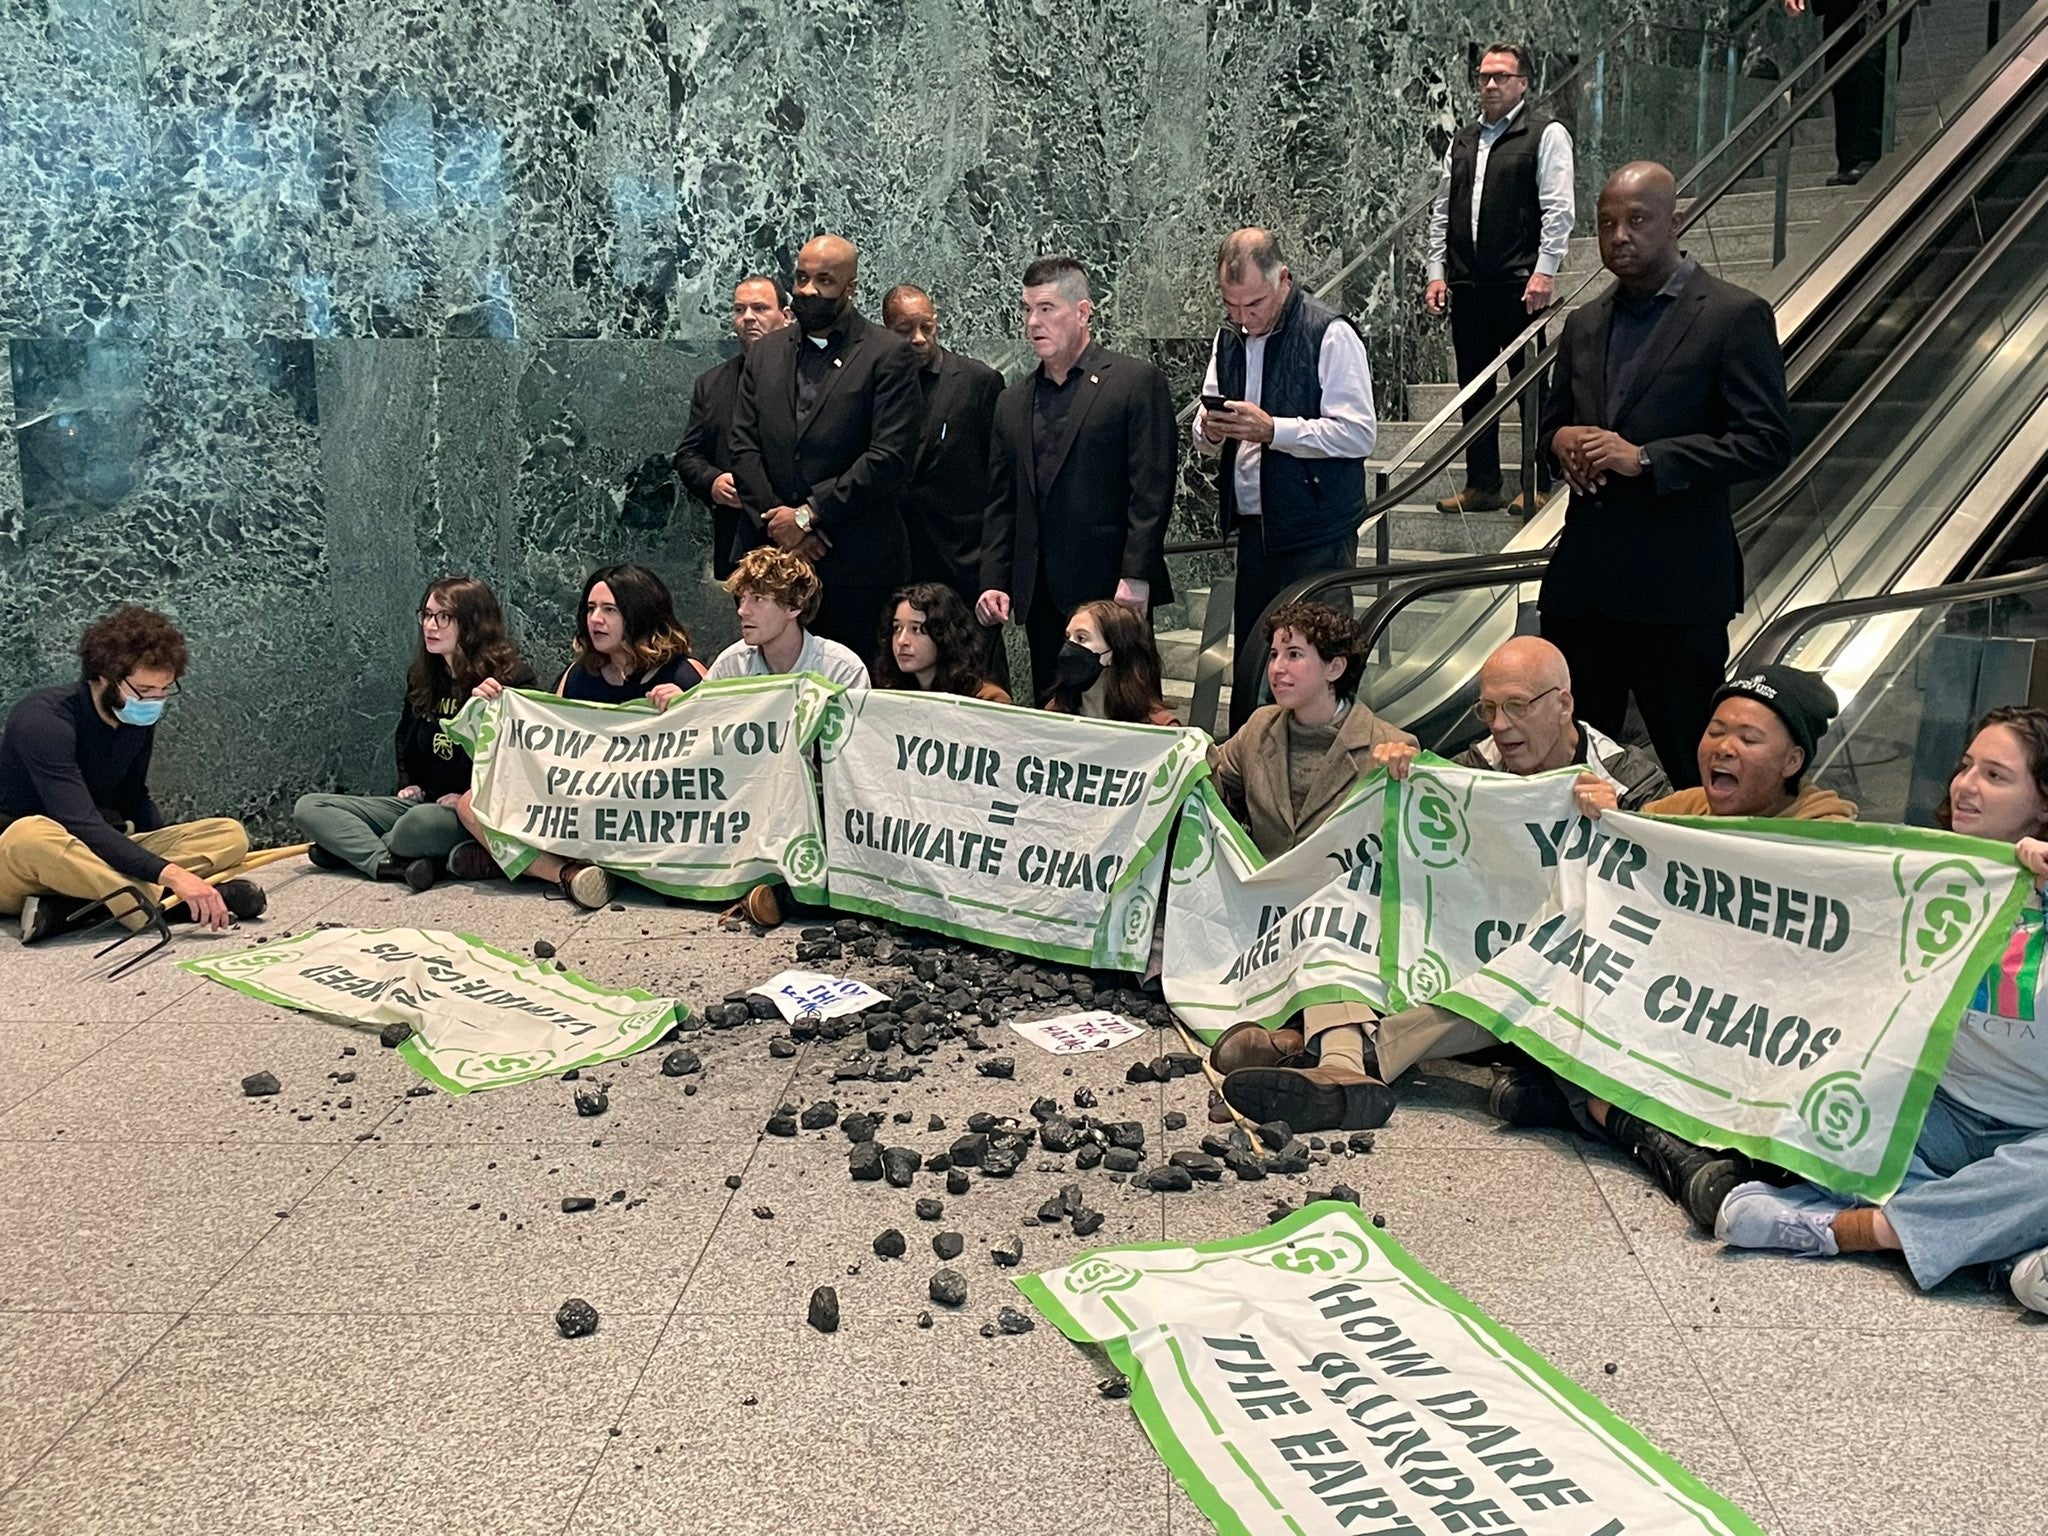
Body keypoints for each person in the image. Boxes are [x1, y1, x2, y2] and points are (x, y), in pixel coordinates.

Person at [1236, 638, 1674, 1114]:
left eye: (1516, 707)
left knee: (1536, 961)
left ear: (1563, 704)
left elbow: (1666, 893)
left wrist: (1628, 826)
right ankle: (1336, 1066)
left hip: (1549, 981)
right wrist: (1397, 778)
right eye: (1487, 709)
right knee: (1353, 899)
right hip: (1463, 953)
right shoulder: (1473, 765)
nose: (1501, 725)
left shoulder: (1630, 778)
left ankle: (1333, 1050)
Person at [1493, 665, 1856, 1227]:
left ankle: (1600, 1115)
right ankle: (1646, 1134)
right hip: (1661, 1019)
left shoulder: (1829, 832)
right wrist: (1600, 817)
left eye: (1749, 738)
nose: (1724, 748)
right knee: (1570, 976)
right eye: (1716, 731)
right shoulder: (1678, 811)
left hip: (1749, 1032)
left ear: (1792, 762)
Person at [1716, 705, 2048, 1315]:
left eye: (1996, 776)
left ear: (2044, 805)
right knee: (1807, 1106)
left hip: (2036, 1132)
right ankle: (2003, 1251)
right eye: (1966, 766)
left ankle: (1844, 1232)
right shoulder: (1929, 869)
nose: (1967, 786)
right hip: (1935, 1112)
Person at [1538, 161, 1794, 787]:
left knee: (1695, 767)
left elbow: (1767, 442)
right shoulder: (1585, 323)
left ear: (1675, 223)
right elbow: (1548, 435)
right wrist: (1562, 439)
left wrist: (1647, 458)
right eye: (1605, 224)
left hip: (1677, 592)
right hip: (1586, 589)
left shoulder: (1734, 316)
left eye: (1637, 220)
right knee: (1574, 772)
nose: (1619, 235)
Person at [1204, 603, 1416, 1133]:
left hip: (1351, 929)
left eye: (1295, 655)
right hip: (1271, 920)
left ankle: (1310, 1054)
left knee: (1331, 944)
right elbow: (1204, 774)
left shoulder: (1390, 747)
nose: (1277, 667)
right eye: (1275, 654)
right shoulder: (1258, 731)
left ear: (1335, 668)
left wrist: (1406, 781)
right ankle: (1298, 1047)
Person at [1194, 229, 1379, 733]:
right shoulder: (1228, 335)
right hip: (1256, 528)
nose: (1242, 316)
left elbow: (1359, 433)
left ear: (1284, 280)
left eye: (1253, 302)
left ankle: (1326, 768)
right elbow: (1209, 409)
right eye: (1230, 304)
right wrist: (1208, 431)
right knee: (1257, 664)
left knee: (1317, 666)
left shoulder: (1329, 332)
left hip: (1316, 528)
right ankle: (1251, 772)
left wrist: (1274, 430)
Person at [1, 605, 264, 943]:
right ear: (103, 677)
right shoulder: (43, 721)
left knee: (228, 834)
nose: (155, 701)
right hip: (22, 860)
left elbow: (134, 798)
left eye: (165, 690)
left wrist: (161, 861)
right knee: (33, 833)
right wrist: (173, 875)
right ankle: (168, 907)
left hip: (93, 853)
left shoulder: (135, 720)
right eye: (143, 691)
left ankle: (81, 906)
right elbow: (78, 821)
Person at [449, 565, 707, 909]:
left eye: (609, 610)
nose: (595, 619)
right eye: (590, 608)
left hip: (652, 815)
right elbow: (546, 747)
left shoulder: (685, 673)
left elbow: (720, 751)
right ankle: (569, 876)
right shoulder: (578, 676)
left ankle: (511, 863)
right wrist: (494, 707)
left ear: (640, 613)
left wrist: (690, 707)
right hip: (586, 810)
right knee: (471, 804)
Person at [978, 257, 1176, 693]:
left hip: (1111, 592)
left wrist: (1137, 573)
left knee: (1125, 712)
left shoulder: (1134, 382)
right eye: (1028, 310)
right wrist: (994, 578)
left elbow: (1151, 488)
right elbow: (1001, 501)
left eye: (1047, 309)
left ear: (1083, 312)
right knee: (1053, 717)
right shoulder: (1013, 401)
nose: (1033, 322)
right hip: (1042, 593)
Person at [730, 233, 924, 652]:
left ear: (850, 288)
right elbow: (743, 447)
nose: (808, 291)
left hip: (856, 563)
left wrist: (810, 515)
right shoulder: (765, 353)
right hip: (772, 562)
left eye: (824, 281)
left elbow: (888, 457)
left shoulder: (887, 354)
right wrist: (782, 528)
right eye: (801, 279)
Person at [295, 577, 536, 890]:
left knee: (416, 826)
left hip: (473, 812)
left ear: (473, 623)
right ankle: (389, 863)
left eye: (443, 617)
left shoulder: (509, 679)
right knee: (310, 808)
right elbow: (405, 742)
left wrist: (491, 711)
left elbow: (524, 764)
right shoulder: (423, 676)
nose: (430, 625)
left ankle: (351, 850)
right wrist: (410, 784)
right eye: (426, 614)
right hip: (425, 803)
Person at [1425, 42, 1575, 517]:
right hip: (1467, 284)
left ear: (1523, 83)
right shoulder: (1464, 141)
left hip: (1519, 283)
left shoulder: (1545, 134)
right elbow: (1442, 211)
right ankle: (1483, 483)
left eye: (1501, 76)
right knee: (1475, 385)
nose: (1490, 84)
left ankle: (1540, 481)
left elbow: (1559, 208)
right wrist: (1436, 272)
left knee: (1531, 386)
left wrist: (1545, 270)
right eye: (1484, 76)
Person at [882, 284, 1004, 619]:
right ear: (886, 331)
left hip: (961, 557)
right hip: (897, 558)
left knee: (975, 664)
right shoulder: (875, 383)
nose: (919, 338)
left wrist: (994, 562)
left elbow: (999, 475)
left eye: (927, 327)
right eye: (905, 330)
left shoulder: (978, 381)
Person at [675, 276, 792, 580]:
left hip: (805, 539)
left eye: (760, 308)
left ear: (787, 316)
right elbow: (688, 455)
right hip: (741, 543)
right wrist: (713, 482)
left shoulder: (815, 380)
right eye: (740, 309)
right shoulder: (712, 384)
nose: (748, 317)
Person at [705, 547, 871, 688]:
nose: (742, 610)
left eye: (758, 598)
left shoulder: (840, 670)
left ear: (794, 606)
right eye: (742, 598)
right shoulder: (730, 668)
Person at [1787, 0, 1912, 186]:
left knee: (1872, 73)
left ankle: (1870, 156)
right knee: (1843, 79)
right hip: (1842, 16)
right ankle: (1849, 161)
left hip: (1879, 11)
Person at [1041, 599, 1179, 727]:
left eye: (1081, 638)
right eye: (1068, 638)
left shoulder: (1160, 727)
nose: (1069, 647)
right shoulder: (1055, 714)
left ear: (1114, 652)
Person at [872, 583, 1010, 703]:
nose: (902, 641)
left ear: (945, 635)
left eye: (917, 629)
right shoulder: (889, 697)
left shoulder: (988, 699)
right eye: (897, 628)